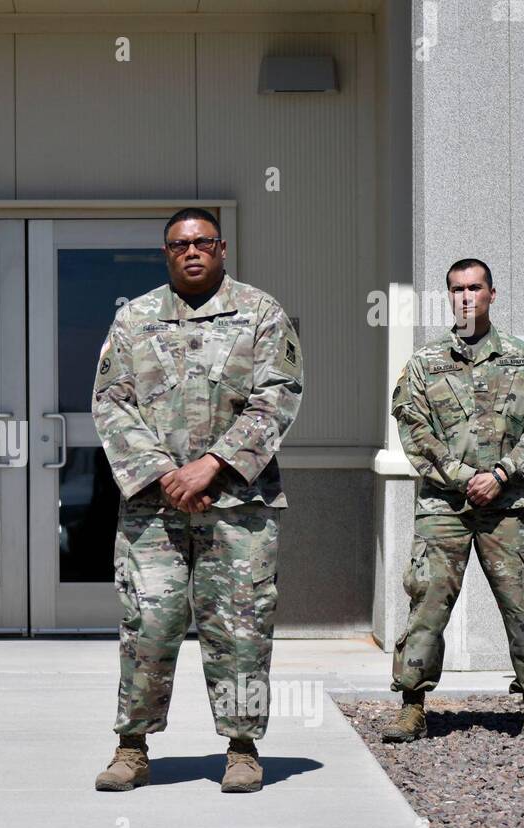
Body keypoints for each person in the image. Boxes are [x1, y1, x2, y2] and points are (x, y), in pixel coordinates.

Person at [91, 207, 303, 793]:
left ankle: (242, 748)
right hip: (153, 509)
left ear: (222, 248)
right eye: (180, 245)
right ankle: (132, 747)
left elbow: (278, 397)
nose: (192, 252)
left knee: (241, 628)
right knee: (148, 621)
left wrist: (210, 467)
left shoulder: (261, 314)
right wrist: (165, 475)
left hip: (238, 506)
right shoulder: (133, 319)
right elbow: (111, 401)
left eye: (203, 243)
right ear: (166, 254)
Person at [383, 258, 524, 743]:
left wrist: (503, 473)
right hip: (445, 508)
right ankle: (412, 705)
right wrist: (469, 478)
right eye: (457, 289)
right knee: (428, 602)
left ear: (492, 294)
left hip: (507, 506)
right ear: (449, 296)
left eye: (475, 288)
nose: (466, 297)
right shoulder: (425, 364)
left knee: (523, 601)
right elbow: (415, 433)